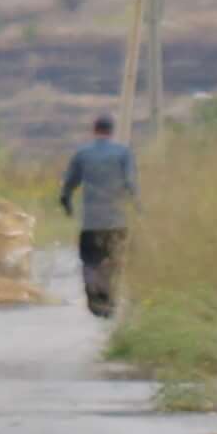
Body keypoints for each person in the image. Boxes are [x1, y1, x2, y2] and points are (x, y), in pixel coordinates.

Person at [54, 113, 135, 319]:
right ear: (111, 131)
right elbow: (131, 184)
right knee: (115, 259)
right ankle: (109, 297)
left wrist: (66, 203)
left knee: (90, 259)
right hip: (117, 221)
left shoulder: (82, 154)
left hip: (91, 222)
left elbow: (68, 184)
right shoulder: (123, 153)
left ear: (95, 130)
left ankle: (93, 288)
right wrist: (137, 208)